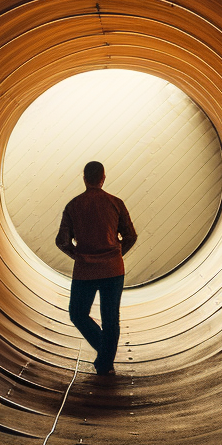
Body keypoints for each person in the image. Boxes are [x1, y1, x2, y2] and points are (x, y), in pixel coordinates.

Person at [55, 161, 137, 375]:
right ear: (103, 178)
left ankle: (104, 355)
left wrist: (80, 256)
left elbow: (62, 241)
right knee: (111, 318)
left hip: (85, 272)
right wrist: (116, 254)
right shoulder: (116, 203)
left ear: (84, 178)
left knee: (77, 314)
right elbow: (130, 235)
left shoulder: (73, 206)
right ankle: (105, 360)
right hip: (113, 270)